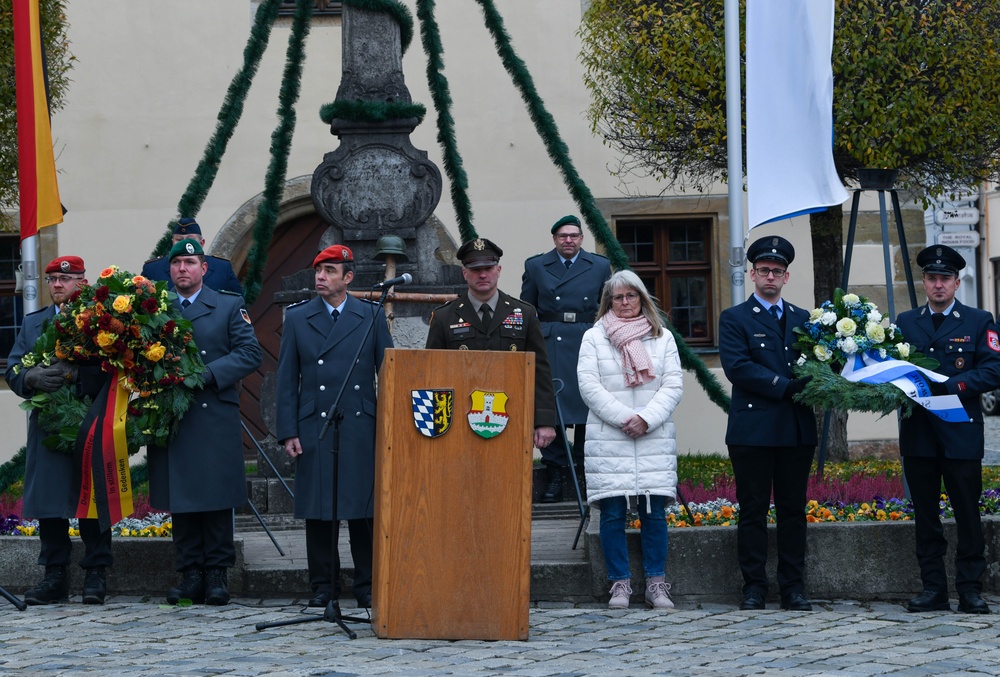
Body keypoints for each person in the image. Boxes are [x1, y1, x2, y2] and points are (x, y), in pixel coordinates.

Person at [276, 244, 392, 610]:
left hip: (360, 423)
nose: (320, 277)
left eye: (329, 271)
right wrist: (288, 430)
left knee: (363, 510)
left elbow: (386, 375)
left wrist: (389, 430)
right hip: (316, 424)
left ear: (348, 277)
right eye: (318, 271)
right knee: (319, 510)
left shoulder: (371, 315)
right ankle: (323, 586)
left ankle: (368, 585)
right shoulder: (297, 318)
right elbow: (285, 380)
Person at [147, 238, 262, 606]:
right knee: (182, 498)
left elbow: (249, 353)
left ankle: (216, 575)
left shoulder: (227, 305)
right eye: (177, 263)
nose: (182, 268)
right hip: (171, 414)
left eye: (190, 262)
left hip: (212, 410)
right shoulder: (155, 308)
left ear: (204, 269)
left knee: (214, 497)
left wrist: (206, 374)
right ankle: (190, 573)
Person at [894, 244, 1000, 614]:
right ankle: (933, 589)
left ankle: (970, 589)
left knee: (967, 514)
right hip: (919, 433)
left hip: (959, 432)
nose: (938, 285)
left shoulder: (978, 320)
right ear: (924, 281)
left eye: (945, 279)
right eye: (932, 278)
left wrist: (953, 385)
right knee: (926, 516)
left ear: (957, 283)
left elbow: (993, 369)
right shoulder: (905, 323)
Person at [4, 256, 113, 605]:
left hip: (89, 420)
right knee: (51, 501)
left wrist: (80, 376)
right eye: (51, 280)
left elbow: (117, 367)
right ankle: (55, 575)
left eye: (65, 279)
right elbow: (13, 367)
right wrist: (29, 378)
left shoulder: (101, 320)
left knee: (93, 499)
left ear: (82, 282)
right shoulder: (34, 323)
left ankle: (96, 574)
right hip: (48, 426)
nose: (57, 286)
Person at [719, 235, 816, 612]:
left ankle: (793, 587)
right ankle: (754, 587)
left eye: (777, 271)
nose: (770, 277)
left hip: (795, 429)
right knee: (754, 510)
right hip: (754, 430)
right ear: (753, 273)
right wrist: (785, 386)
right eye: (764, 271)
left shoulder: (804, 319)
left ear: (786, 277)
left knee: (793, 511)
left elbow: (819, 365)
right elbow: (738, 367)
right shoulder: (735, 318)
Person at [578, 270, 683, 610]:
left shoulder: (662, 337)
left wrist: (646, 419)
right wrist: (626, 419)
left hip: (653, 436)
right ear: (608, 302)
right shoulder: (594, 338)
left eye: (631, 296)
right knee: (611, 514)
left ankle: (656, 583)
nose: (624, 303)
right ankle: (619, 584)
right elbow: (589, 386)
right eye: (617, 297)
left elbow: (673, 385)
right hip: (610, 438)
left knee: (654, 514)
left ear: (642, 298)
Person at [426, 238, 557, 450]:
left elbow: (540, 370)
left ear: (499, 270)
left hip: (513, 413)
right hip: (459, 416)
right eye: (475, 269)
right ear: (465, 273)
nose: (483, 274)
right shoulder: (444, 317)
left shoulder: (524, 313)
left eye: (488, 268)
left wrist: (544, 420)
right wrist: (436, 422)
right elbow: (432, 372)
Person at [521, 215, 611, 502]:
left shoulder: (599, 265)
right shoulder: (536, 266)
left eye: (574, 235)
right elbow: (528, 308)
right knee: (552, 405)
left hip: (588, 337)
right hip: (551, 341)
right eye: (563, 236)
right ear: (555, 239)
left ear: (582, 238)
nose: (568, 240)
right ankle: (557, 471)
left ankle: (586, 472)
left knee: (590, 403)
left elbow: (607, 306)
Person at [141, 217, 243, 295]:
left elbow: (237, 305)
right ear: (172, 243)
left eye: (190, 239)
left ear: (202, 243)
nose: (184, 244)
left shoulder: (222, 268)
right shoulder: (153, 269)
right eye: (179, 240)